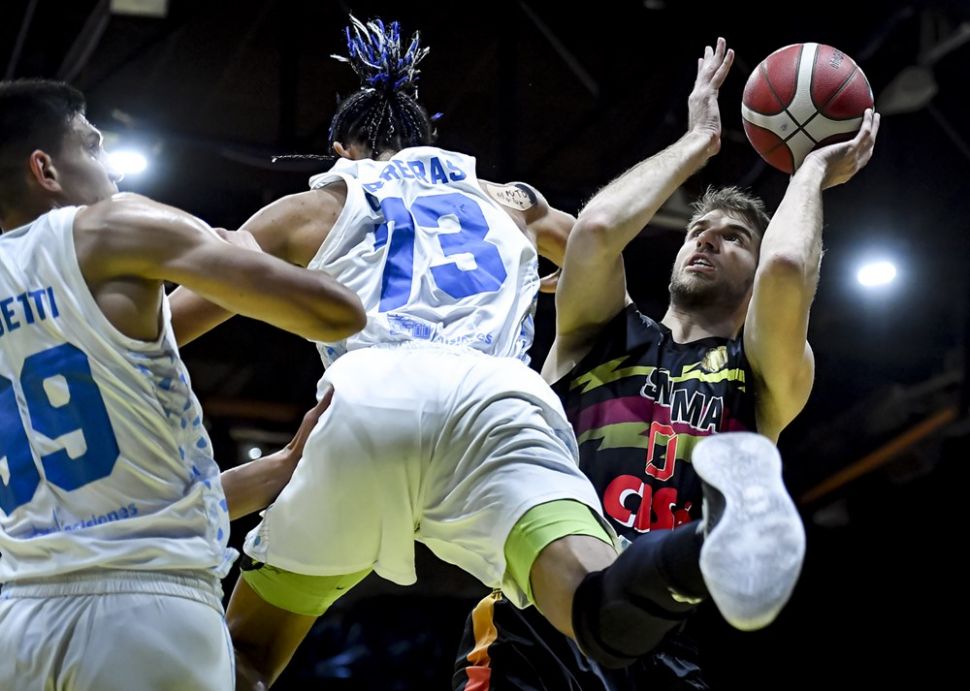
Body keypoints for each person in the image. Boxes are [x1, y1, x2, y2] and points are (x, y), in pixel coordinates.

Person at [170, 20, 811, 688]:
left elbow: (170, 327)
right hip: (499, 402)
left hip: (369, 399)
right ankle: (706, 540)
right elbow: (592, 241)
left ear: (342, 150)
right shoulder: (510, 201)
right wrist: (548, 276)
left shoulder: (317, 204)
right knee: (600, 608)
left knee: (246, 656)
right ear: (430, 142)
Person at [454, 38, 880, 690]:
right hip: (535, 619)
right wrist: (696, 142)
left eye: (734, 238)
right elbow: (597, 230)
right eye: (697, 231)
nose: (707, 239)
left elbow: (787, 267)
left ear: (751, 277)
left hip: (663, 640)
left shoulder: (761, 376)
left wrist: (811, 171)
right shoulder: (600, 330)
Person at [0, 78, 366, 691]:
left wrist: (277, 470)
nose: (112, 167)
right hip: (147, 617)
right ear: (46, 169)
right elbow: (338, 312)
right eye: (92, 146)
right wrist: (244, 245)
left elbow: (99, 520)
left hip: (18, 625)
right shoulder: (113, 226)